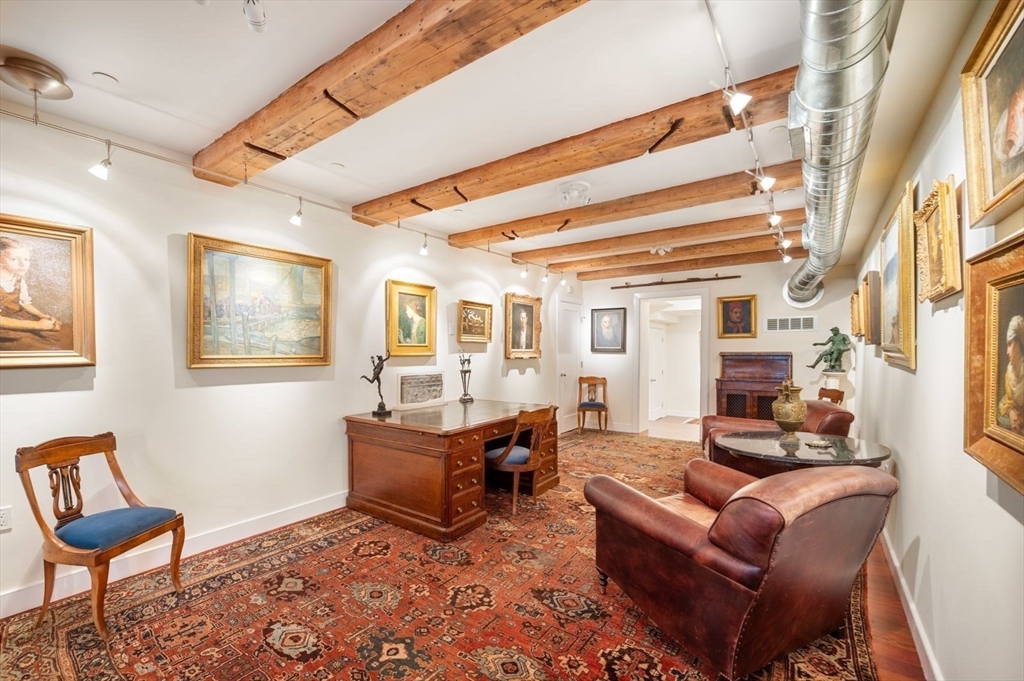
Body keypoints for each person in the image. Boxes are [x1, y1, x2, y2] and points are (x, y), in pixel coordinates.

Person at [0, 235, 63, 334]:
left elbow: (24, 303)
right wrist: (39, 325)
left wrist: (41, 315)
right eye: (14, 259)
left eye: (26, 259)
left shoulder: (18, 280)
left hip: (18, 319)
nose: (22, 264)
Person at [997, 314, 1023, 435]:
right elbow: (1006, 402)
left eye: (1010, 344)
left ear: (1019, 345)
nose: (1007, 352)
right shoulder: (1010, 371)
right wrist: (1011, 412)